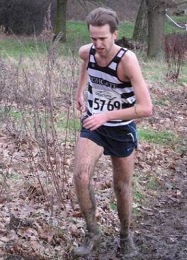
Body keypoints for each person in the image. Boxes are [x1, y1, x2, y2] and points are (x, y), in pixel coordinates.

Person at [73, 7, 153, 257]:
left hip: (120, 129)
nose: (97, 44)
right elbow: (85, 62)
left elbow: (146, 108)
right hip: (94, 126)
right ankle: (92, 231)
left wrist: (106, 115)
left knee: (121, 186)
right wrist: (80, 91)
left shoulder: (127, 61)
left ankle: (125, 236)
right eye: (93, 38)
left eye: (103, 39)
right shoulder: (87, 51)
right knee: (80, 176)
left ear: (115, 35)